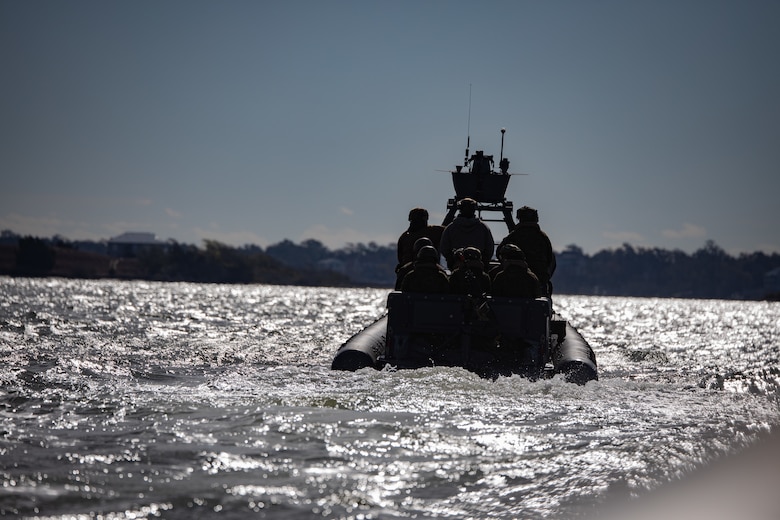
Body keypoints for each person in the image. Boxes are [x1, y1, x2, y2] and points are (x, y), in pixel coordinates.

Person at [498, 206, 556, 295]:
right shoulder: (543, 237)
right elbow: (550, 260)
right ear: (536, 219)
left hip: (511, 282)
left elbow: (499, 253)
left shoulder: (513, 236)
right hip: (539, 281)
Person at [439, 198, 495, 269]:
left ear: (460, 209)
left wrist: (453, 259)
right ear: (474, 210)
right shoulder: (483, 228)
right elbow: (489, 249)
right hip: (478, 268)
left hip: (456, 268)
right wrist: (482, 261)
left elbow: (444, 248)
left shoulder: (451, 228)